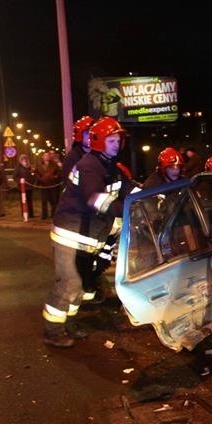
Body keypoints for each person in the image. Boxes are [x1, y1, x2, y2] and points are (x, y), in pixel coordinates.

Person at [42, 117, 132, 347]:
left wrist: (154, 197)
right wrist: (125, 210)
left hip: (86, 236)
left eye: (118, 139)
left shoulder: (110, 166)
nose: (116, 143)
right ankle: (52, 330)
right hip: (70, 234)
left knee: (80, 282)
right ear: (99, 142)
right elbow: (95, 198)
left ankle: (69, 322)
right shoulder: (90, 165)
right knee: (69, 282)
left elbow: (129, 189)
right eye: (111, 140)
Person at [61, 115, 94, 189]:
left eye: (93, 133)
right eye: (87, 133)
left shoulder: (96, 154)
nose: (90, 136)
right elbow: (70, 184)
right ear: (79, 135)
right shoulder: (72, 157)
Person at [38, 151, 63, 219]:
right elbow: (36, 173)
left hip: (52, 185)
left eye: (47, 156)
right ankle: (44, 215)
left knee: (53, 200)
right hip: (43, 185)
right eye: (45, 156)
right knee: (44, 200)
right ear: (42, 157)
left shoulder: (54, 164)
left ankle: (53, 214)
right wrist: (40, 179)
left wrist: (55, 177)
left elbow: (58, 172)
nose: (46, 157)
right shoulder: (39, 164)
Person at [14, 153, 37, 218]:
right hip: (22, 187)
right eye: (23, 159)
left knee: (30, 201)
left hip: (29, 187)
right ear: (20, 160)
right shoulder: (18, 167)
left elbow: (33, 175)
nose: (25, 160)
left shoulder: (29, 166)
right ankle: (24, 213)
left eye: (25, 158)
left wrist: (33, 181)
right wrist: (20, 181)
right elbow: (15, 176)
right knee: (23, 201)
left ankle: (31, 214)